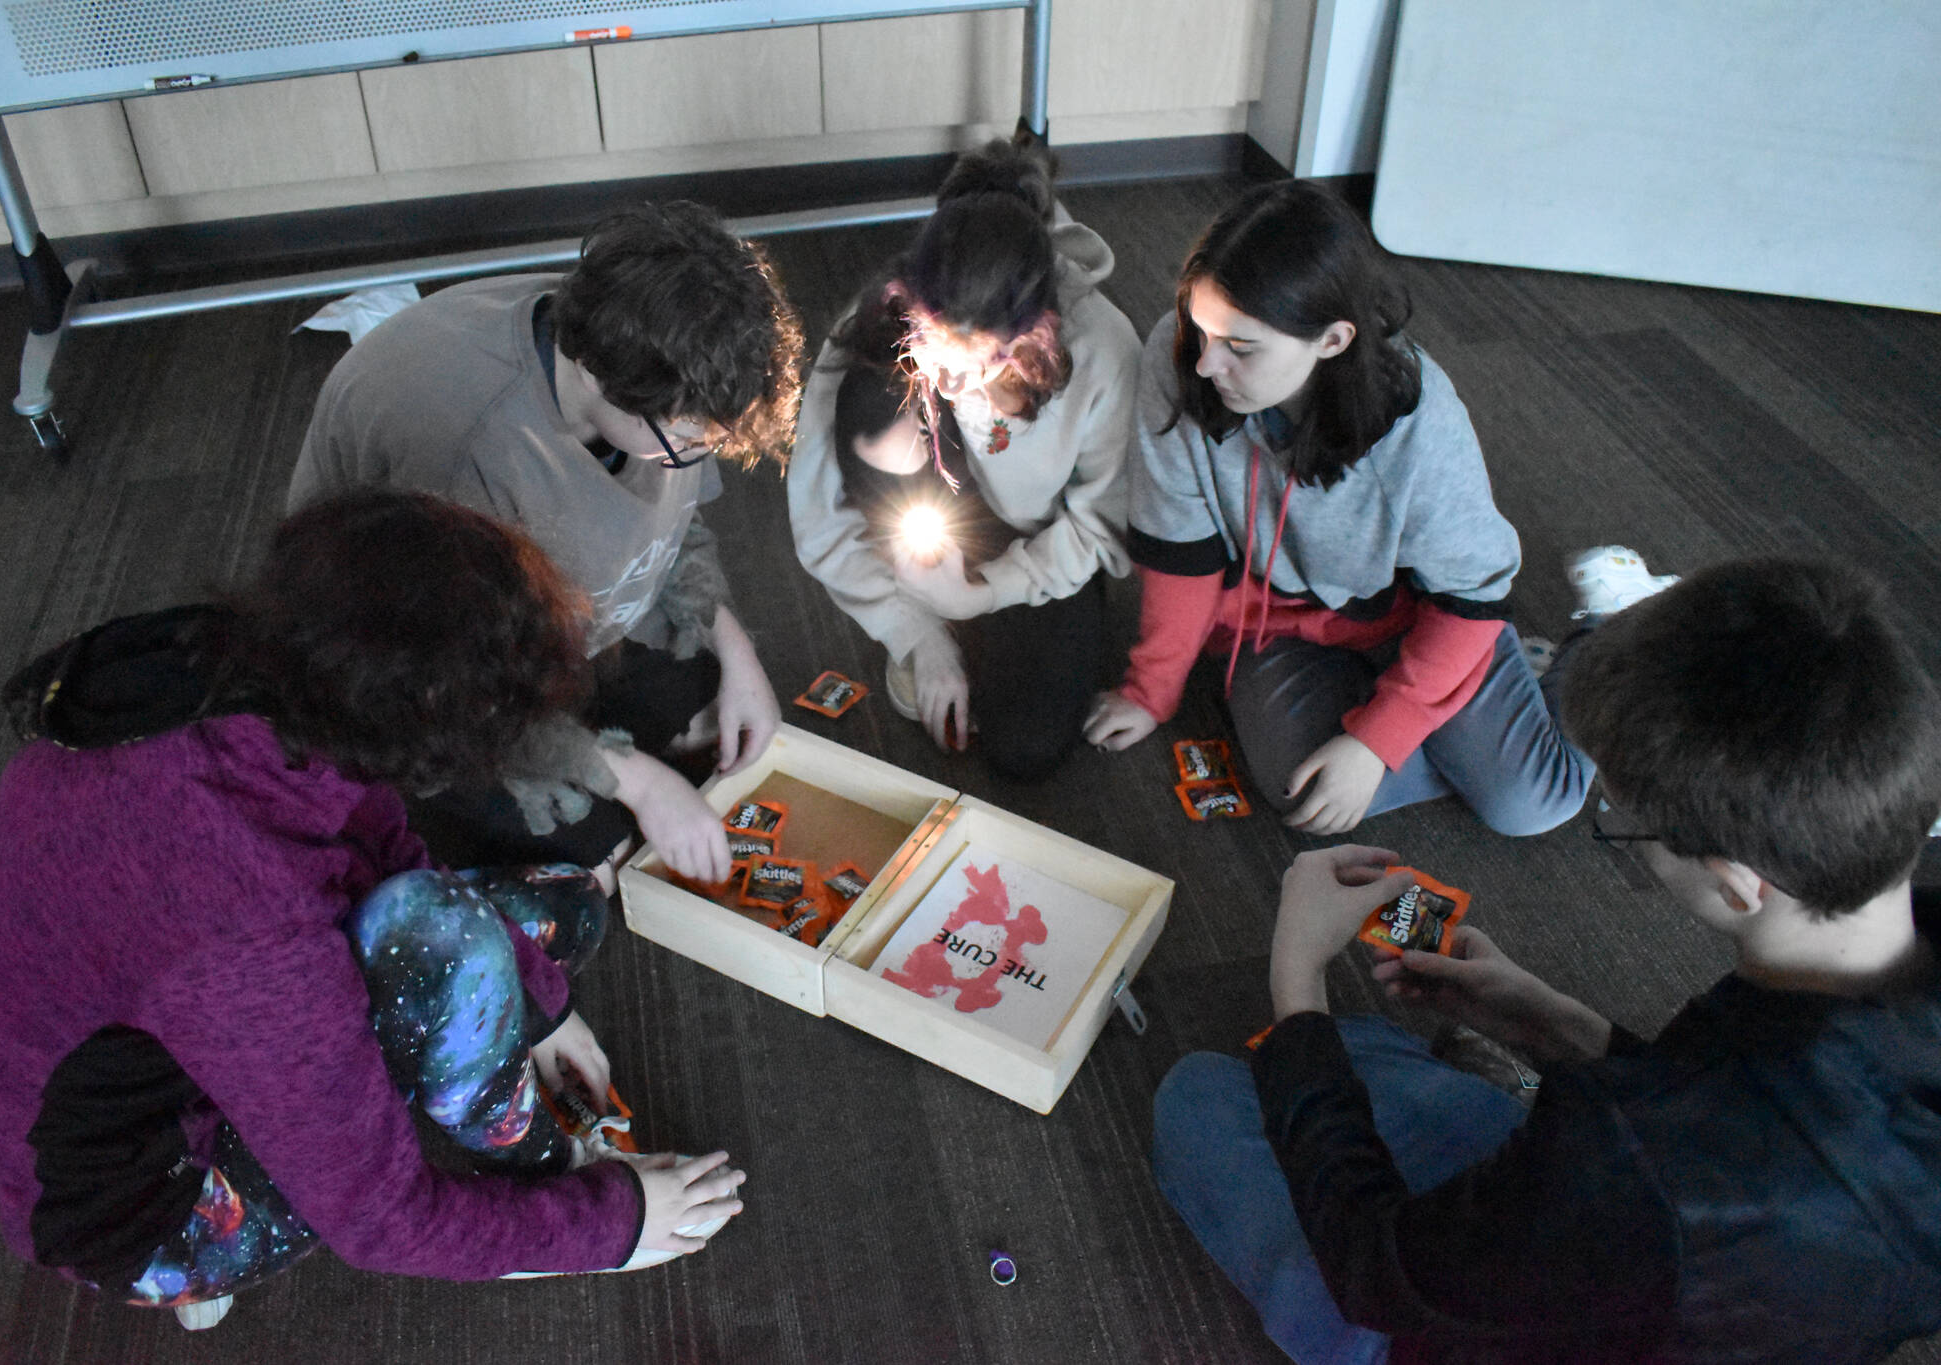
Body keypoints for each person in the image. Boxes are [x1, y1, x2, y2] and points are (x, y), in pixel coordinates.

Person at [0, 491, 746, 1330]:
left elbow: (379, 838)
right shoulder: (238, 918)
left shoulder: (255, 667)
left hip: (176, 1003)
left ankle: (446, 1102)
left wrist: (542, 1009)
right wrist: (610, 1223)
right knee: (445, 970)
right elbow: (383, 1222)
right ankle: (529, 1174)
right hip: (143, 1204)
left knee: (565, 908)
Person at [1152, 557, 1941, 1363]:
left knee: (1197, 1099)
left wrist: (1298, 979)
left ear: (1740, 884)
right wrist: (1547, 1018)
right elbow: (1746, 1126)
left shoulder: (1624, 1148)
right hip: (1675, 1270)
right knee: (1347, 1064)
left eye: (1628, 827)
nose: (1623, 833)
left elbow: (1376, 1275)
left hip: (1494, 1315)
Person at [290, 201, 805, 882]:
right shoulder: (465, 460)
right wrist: (644, 784)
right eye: (686, 442)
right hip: (424, 676)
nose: (696, 454)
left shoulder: (659, 361)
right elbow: (454, 691)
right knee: (604, 857)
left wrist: (736, 653)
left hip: (554, 627)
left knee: (715, 725)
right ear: (600, 379)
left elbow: (681, 526)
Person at [1084, 180, 1590, 836]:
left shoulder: (1420, 424)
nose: (1206, 364)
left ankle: (1598, 648)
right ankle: (1473, 723)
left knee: (1530, 803)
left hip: (1423, 617)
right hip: (1285, 620)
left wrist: (1378, 741)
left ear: (1331, 341)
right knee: (1303, 793)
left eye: (1240, 346)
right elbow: (1181, 554)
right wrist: (1150, 691)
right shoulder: (1179, 357)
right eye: (1199, 326)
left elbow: (1467, 599)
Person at [788, 136, 1137, 780]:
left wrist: (984, 595)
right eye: (931, 351)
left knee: (1023, 749)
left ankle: (977, 624)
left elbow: (1100, 529)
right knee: (874, 401)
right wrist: (917, 631)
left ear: (1036, 339)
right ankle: (930, 605)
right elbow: (819, 511)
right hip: (932, 518)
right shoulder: (882, 316)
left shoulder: (1105, 352)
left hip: (1035, 545)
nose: (944, 388)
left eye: (969, 368)